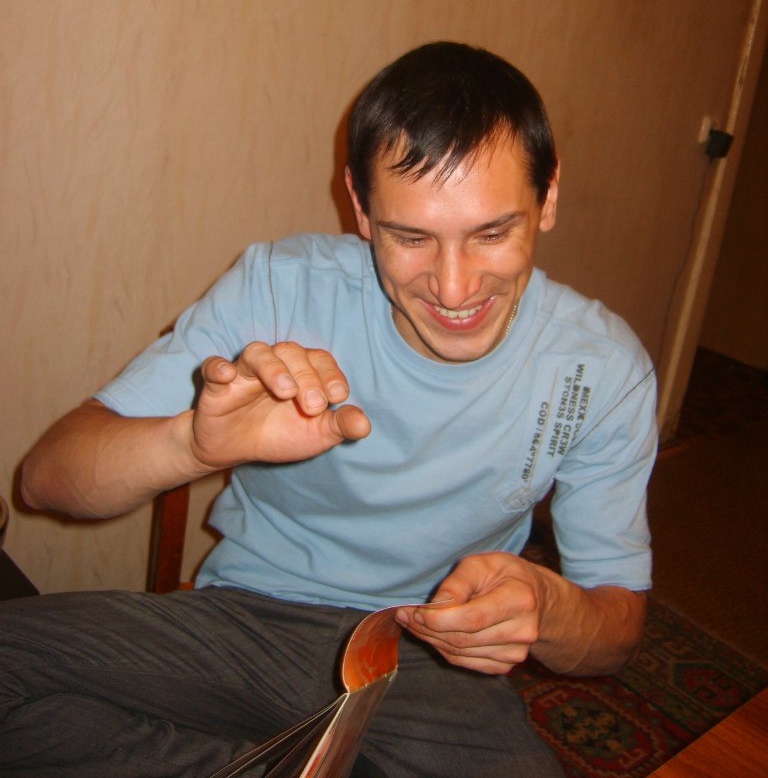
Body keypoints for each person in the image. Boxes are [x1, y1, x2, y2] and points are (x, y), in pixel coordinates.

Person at [1, 42, 657, 778]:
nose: (453, 288)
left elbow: (616, 631)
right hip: (245, 622)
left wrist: (548, 603)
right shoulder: (279, 289)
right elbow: (43, 481)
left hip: (427, 662)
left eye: (492, 233)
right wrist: (191, 444)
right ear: (360, 207)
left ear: (550, 195)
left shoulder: (602, 371)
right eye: (411, 237)